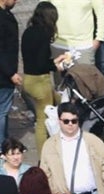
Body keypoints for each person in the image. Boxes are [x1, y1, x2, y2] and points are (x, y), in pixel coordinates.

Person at [41, 102, 104, 194]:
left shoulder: (93, 141)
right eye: (66, 121)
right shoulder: (49, 145)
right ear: (59, 121)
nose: (70, 124)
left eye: (74, 121)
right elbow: (44, 174)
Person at [21, 4, 61, 153]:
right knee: (42, 121)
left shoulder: (28, 31)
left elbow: (34, 60)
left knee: (56, 101)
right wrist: (57, 66)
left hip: (29, 79)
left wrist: (55, 61)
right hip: (40, 82)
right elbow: (42, 65)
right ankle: (43, 156)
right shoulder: (44, 34)